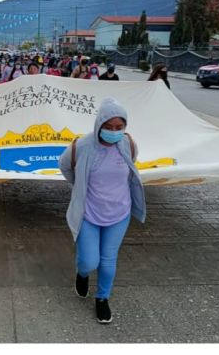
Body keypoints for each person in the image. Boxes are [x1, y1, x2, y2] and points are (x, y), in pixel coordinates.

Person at [59, 97, 146, 325]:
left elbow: (131, 167)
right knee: (89, 261)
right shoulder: (82, 146)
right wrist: (79, 185)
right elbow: (65, 166)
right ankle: (82, 274)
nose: (114, 132)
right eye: (108, 127)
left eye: (119, 127)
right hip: (89, 213)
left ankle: (102, 298)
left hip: (119, 213)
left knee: (108, 260)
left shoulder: (128, 144)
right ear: (99, 124)